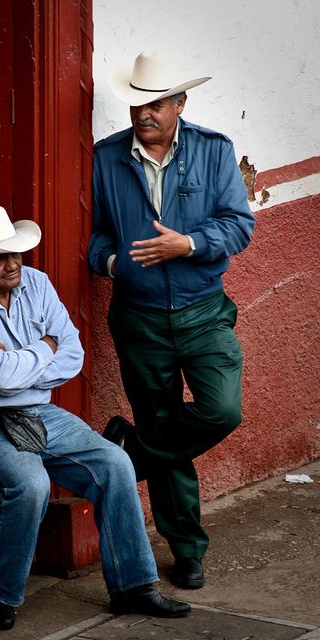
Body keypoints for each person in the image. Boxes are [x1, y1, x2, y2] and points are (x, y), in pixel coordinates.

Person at [0, 204, 191, 631]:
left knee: (114, 463)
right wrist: (42, 350)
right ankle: (0, 594)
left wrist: (25, 361)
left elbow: (72, 355)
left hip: (33, 408)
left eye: (16, 253)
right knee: (30, 483)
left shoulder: (36, 282)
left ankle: (133, 587)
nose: (13, 263)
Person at [88, 48, 256, 590]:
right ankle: (186, 549)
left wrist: (189, 243)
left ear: (180, 103)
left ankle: (132, 450)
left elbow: (239, 225)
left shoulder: (212, 151)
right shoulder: (104, 158)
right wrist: (111, 262)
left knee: (220, 410)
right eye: (137, 104)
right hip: (138, 319)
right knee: (162, 417)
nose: (145, 114)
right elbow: (88, 234)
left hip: (203, 310)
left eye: (157, 103)